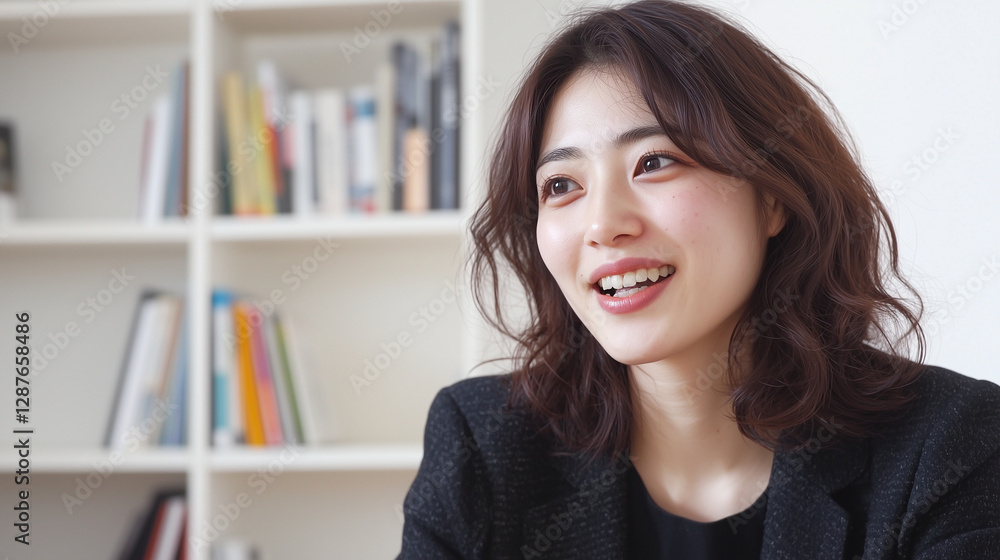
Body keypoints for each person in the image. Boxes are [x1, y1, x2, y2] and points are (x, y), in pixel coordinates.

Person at [397, 1, 1000, 558]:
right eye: (562, 186)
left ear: (772, 198)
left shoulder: (951, 444)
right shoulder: (482, 445)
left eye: (655, 162)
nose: (603, 225)